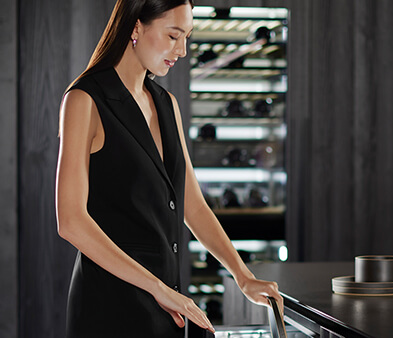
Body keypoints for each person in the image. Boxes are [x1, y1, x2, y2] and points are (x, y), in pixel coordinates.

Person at [55, 0, 283, 337]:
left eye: (187, 37)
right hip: (108, 307)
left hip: (166, 305)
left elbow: (192, 204)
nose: (183, 50)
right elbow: (71, 222)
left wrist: (242, 275)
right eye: (173, 35)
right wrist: (158, 289)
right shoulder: (84, 100)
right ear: (135, 27)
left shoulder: (167, 104)